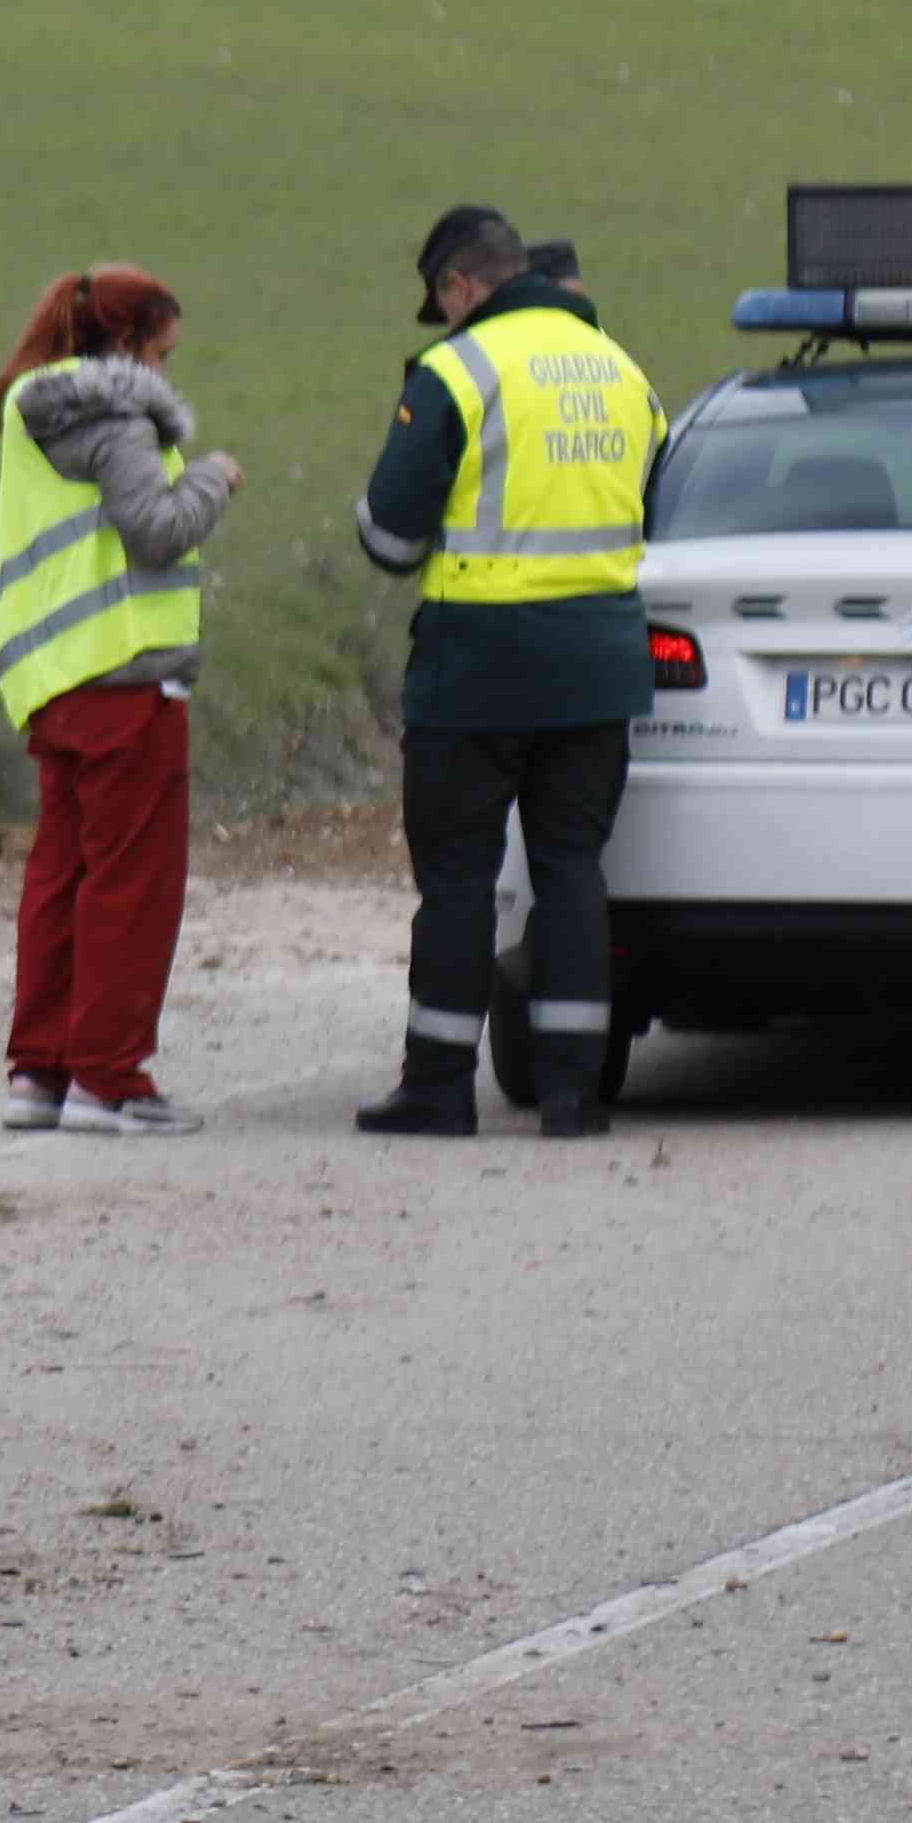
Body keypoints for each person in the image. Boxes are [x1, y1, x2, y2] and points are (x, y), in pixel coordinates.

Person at [350, 203, 659, 1140]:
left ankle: (440, 1086)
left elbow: (391, 538)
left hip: (477, 665)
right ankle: (572, 1093)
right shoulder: (623, 371)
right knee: (571, 869)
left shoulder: (457, 370)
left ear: (460, 287)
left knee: (457, 880)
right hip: (600, 661)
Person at [0, 263, 236, 1134]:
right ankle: (108, 1079)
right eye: (161, 354)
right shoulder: (119, 421)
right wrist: (211, 479)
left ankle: (40, 1074)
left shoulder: (31, 410)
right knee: (132, 884)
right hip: (128, 680)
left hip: (51, 678)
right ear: (126, 346)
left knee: (60, 877)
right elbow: (157, 531)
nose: (166, 372)